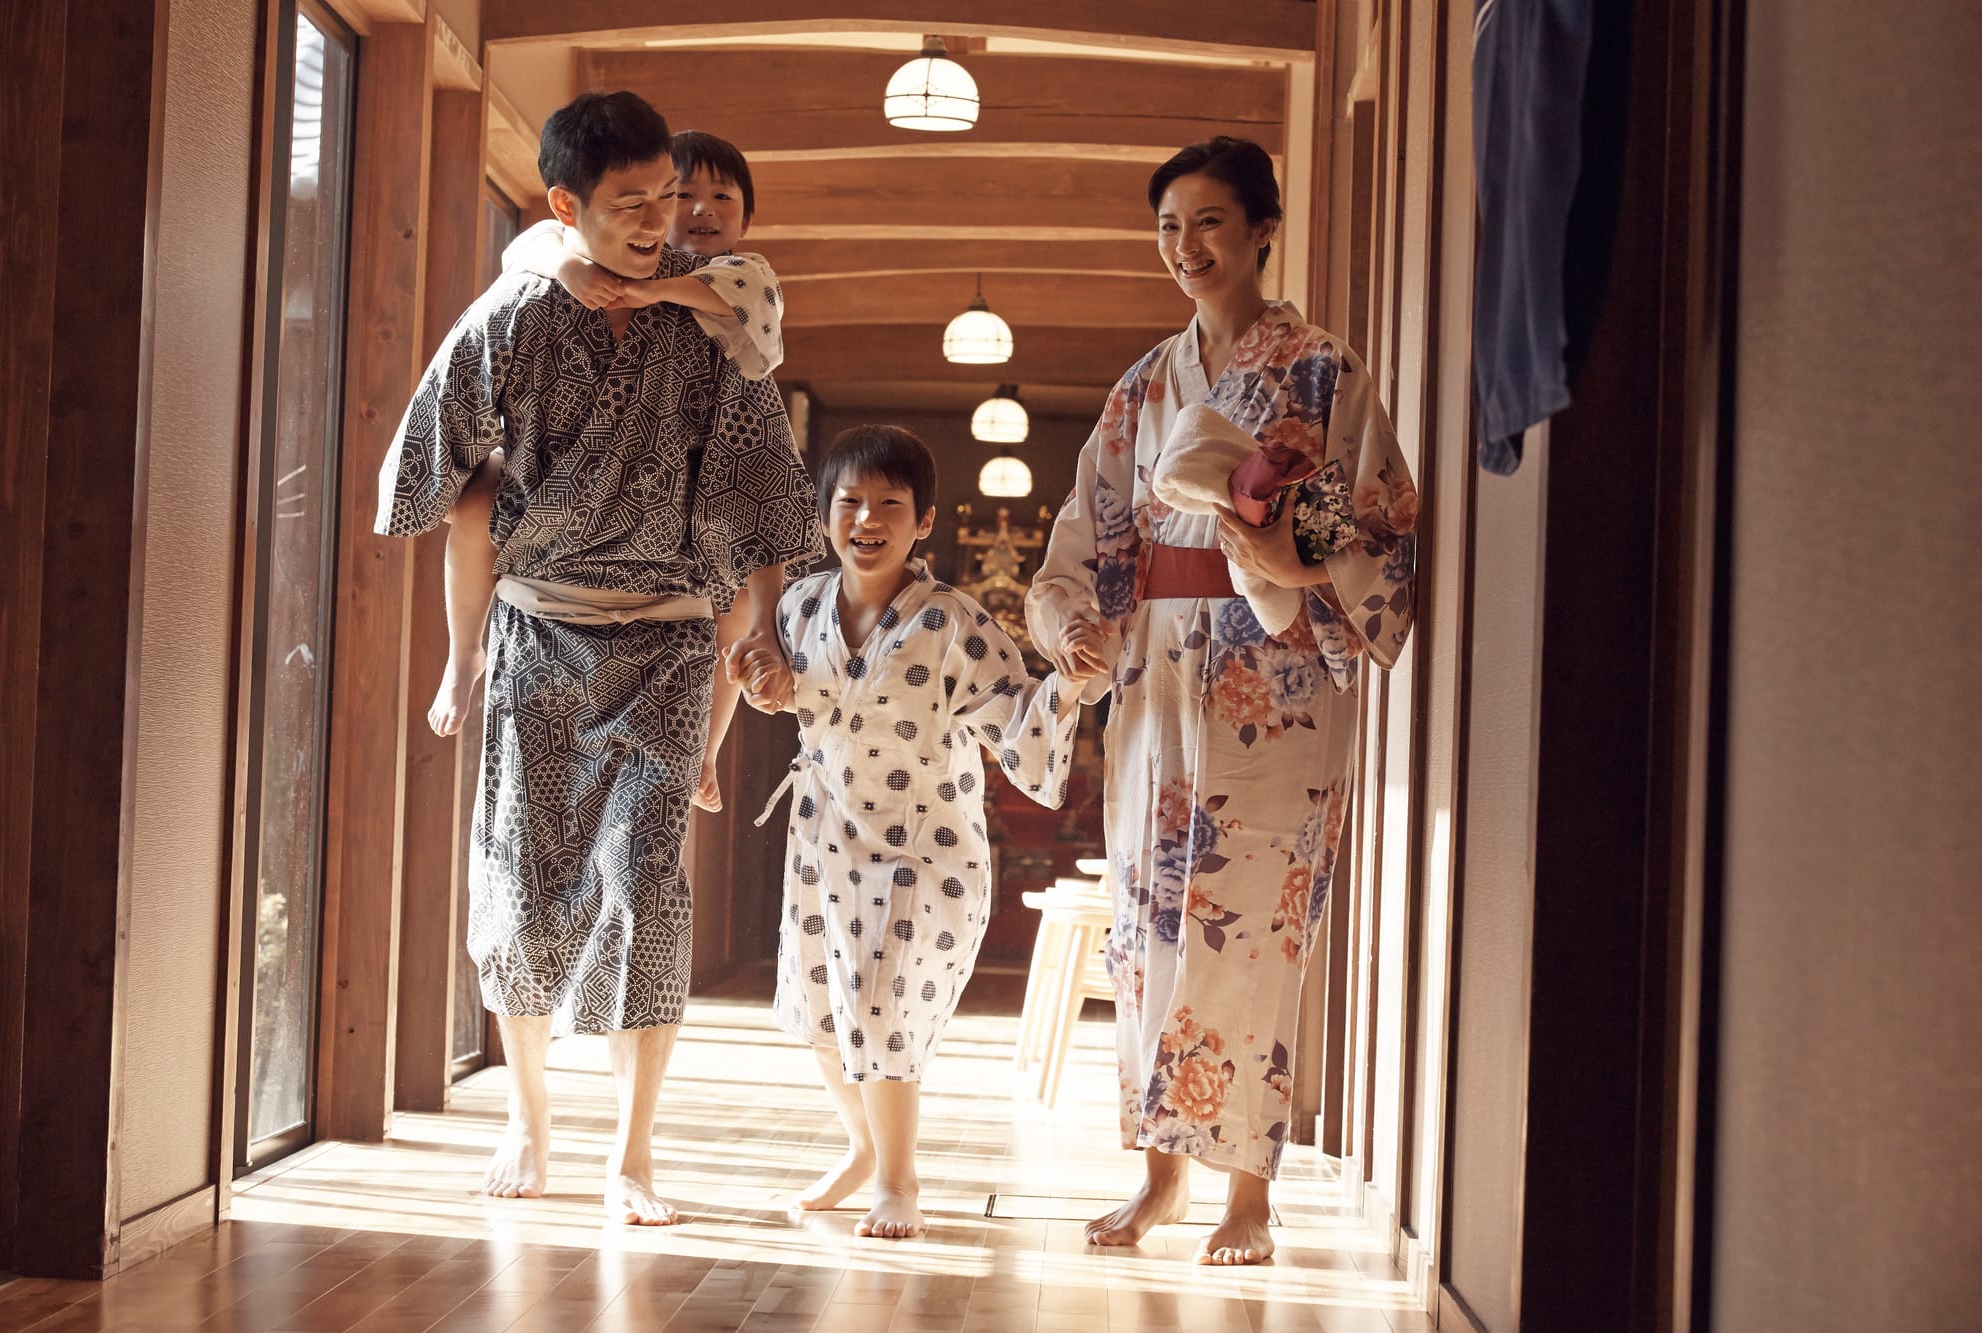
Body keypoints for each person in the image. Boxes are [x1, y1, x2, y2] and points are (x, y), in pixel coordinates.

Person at [374, 92, 818, 1226]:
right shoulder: (517, 311)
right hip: (537, 632)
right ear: (566, 206)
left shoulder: (711, 315)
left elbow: (762, 482)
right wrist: (459, 641)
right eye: (632, 204)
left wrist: (760, 624)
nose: (660, 221)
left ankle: (633, 1152)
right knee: (521, 888)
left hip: (669, 638)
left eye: (668, 198)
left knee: (642, 883)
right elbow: (435, 464)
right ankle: (528, 1117)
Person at [1026, 136, 1418, 1265]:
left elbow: (1381, 513)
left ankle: (1248, 1190)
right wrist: (1074, 626)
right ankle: (1157, 1178)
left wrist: (1291, 549)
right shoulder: (1143, 385)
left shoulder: (1321, 368)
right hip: (1155, 671)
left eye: (1207, 221)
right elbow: (1088, 531)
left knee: (1256, 921)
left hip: (1275, 671)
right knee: (1148, 920)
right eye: (1168, 226)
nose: (1185, 245)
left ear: (1260, 230)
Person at [728, 426, 1086, 1239]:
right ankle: (862, 1149)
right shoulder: (799, 606)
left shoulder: (954, 622)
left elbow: (1021, 725)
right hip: (823, 840)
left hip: (925, 852)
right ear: (825, 515)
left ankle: (898, 1180)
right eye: (850, 501)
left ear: (923, 521)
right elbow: (778, 686)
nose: (867, 518)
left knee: (880, 1002)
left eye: (889, 503)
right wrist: (762, 685)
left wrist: (1068, 686)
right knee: (821, 1008)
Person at [426, 130, 781, 816]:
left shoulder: (744, 276)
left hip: (702, 496)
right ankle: (464, 650)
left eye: (722, 198)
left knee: (736, 601)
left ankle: (705, 750)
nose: (700, 209)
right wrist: (569, 269)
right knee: (474, 503)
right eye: (680, 195)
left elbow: (742, 297)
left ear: (746, 219)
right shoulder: (567, 270)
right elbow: (528, 245)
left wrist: (653, 291)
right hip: (559, 520)